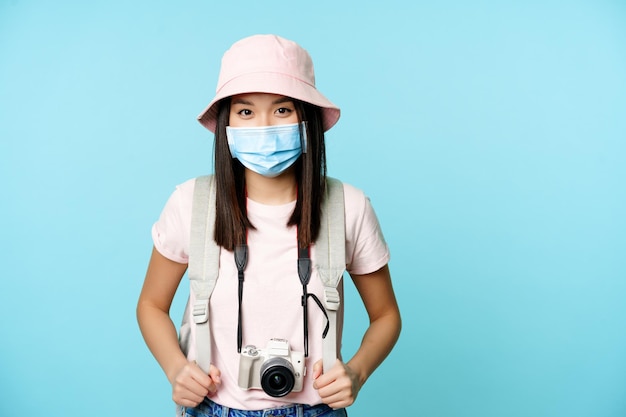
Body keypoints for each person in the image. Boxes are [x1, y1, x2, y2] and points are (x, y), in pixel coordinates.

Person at [137, 34, 401, 417]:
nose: (263, 126)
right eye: (245, 112)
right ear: (226, 123)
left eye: (282, 110)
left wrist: (356, 372)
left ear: (306, 118)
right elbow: (150, 304)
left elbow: (387, 315)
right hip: (213, 408)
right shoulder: (191, 204)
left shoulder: (349, 207)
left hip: (316, 409)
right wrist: (176, 368)